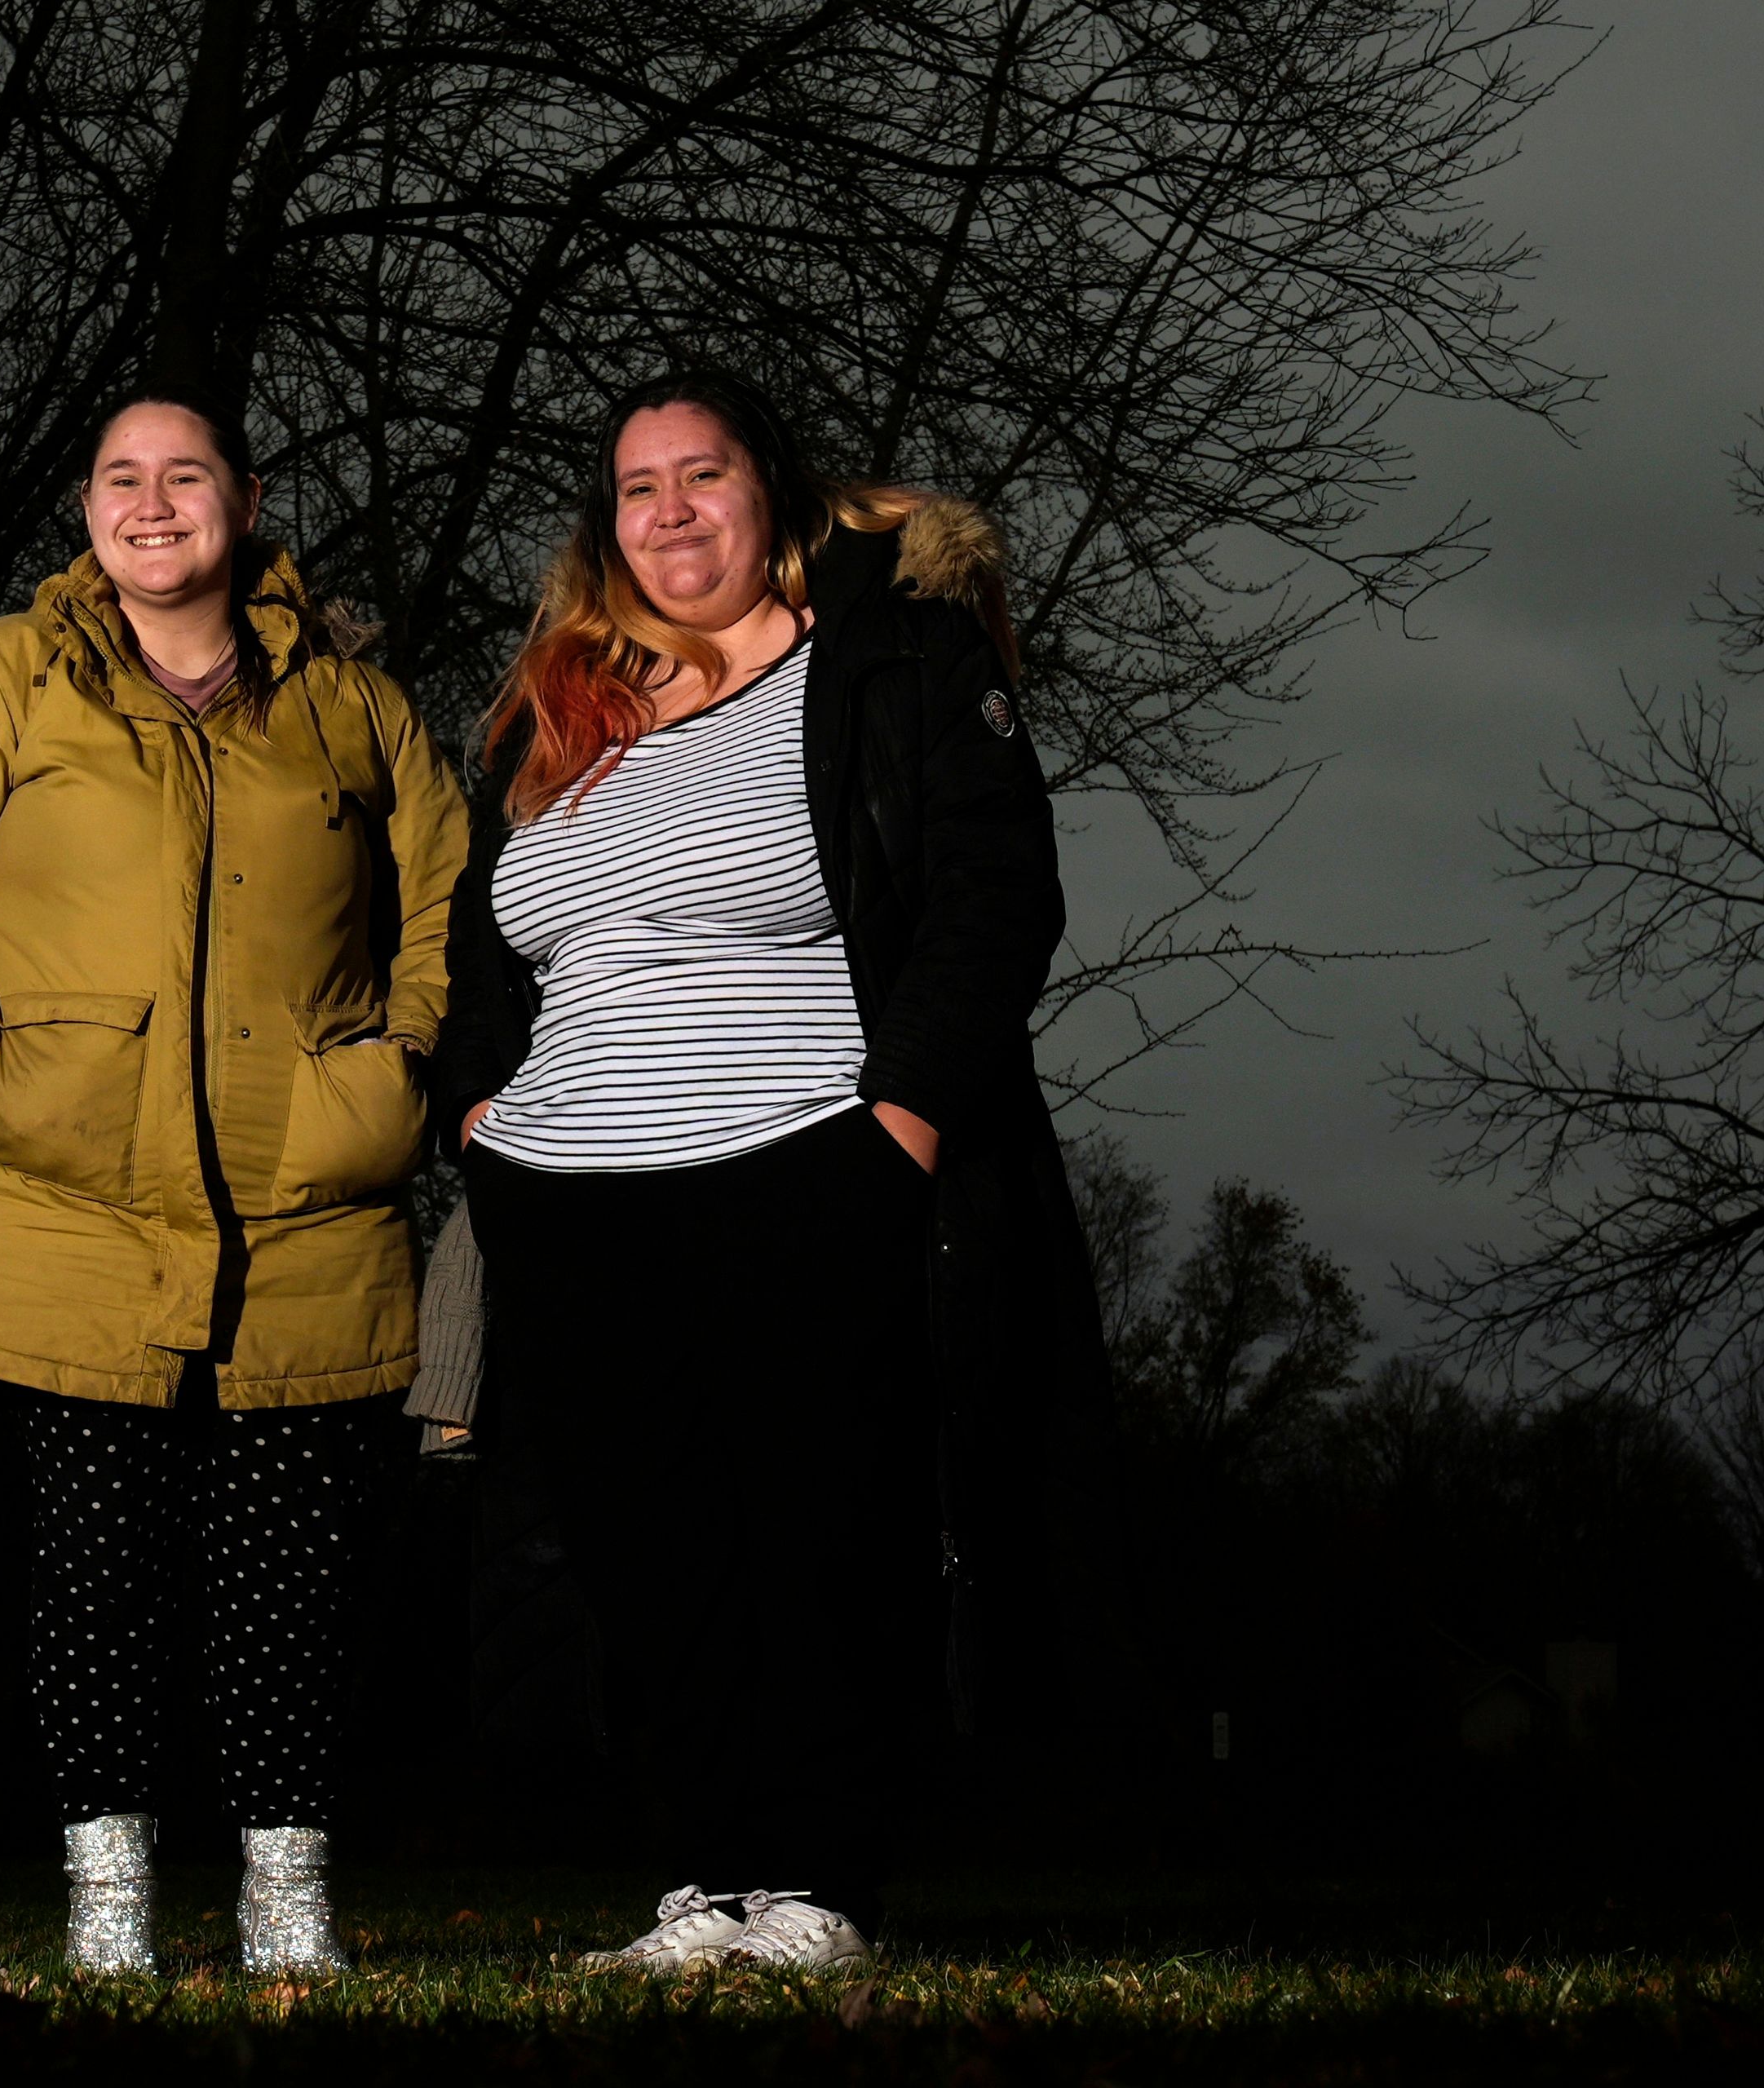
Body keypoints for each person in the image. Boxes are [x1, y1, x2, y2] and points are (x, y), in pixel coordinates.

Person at [430, 368, 1102, 1972]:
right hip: (566, 1183)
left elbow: (996, 888)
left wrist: (908, 1121)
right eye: (638, 487)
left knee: (818, 1527)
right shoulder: (561, 700)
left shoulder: (887, 659)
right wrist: (475, 1114)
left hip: (802, 1153)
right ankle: (702, 1881)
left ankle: (818, 1882)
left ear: (768, 493)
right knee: (641, 1547)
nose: (669, 511)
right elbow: (479, 944)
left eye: (702, 475)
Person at [0, 387, 469, 1975]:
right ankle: (108, 1904)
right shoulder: (0, 678)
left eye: (187, 474)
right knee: (94, 1569)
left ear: (245, 503)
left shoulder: (351, 702)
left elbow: (452, 897)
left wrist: (393, 1073)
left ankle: (287, 1900)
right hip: (64, 1202)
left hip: (305, 1209)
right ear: (87, 512)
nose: (154, 499)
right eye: (122, 474)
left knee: (291, 1581)